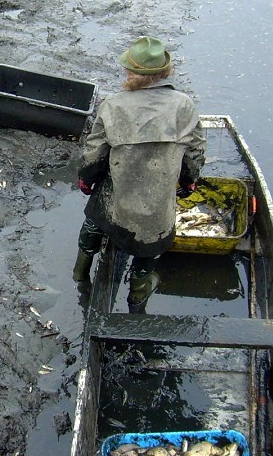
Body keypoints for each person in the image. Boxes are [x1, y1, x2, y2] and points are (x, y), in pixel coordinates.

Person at [71, 36, 206, 313]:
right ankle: (138, 294)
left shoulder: (114, 105)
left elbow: (95, 153)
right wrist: (189, 181)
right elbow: (194, 154)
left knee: (95, 218)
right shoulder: (184, 106)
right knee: (152, 242)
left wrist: (86, 178)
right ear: (165, 71)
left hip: (116, 198)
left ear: (130, 72)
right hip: (157, 203)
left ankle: (80, 273)